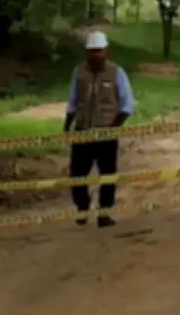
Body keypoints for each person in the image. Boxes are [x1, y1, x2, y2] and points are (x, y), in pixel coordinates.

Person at [63, 31, 135, 227]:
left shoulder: (116, 73)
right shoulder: (79, 72)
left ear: (106, 51)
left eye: (98, 51)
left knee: (108, 175)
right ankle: (82, 207)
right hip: (83, 131)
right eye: (91, 51)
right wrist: (67, 126)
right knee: (77, 174)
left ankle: (104, 213)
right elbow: (72, 101)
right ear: (87, 52)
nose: (95, 55)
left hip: (106, 133)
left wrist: (113, 129)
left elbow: (127, 105)